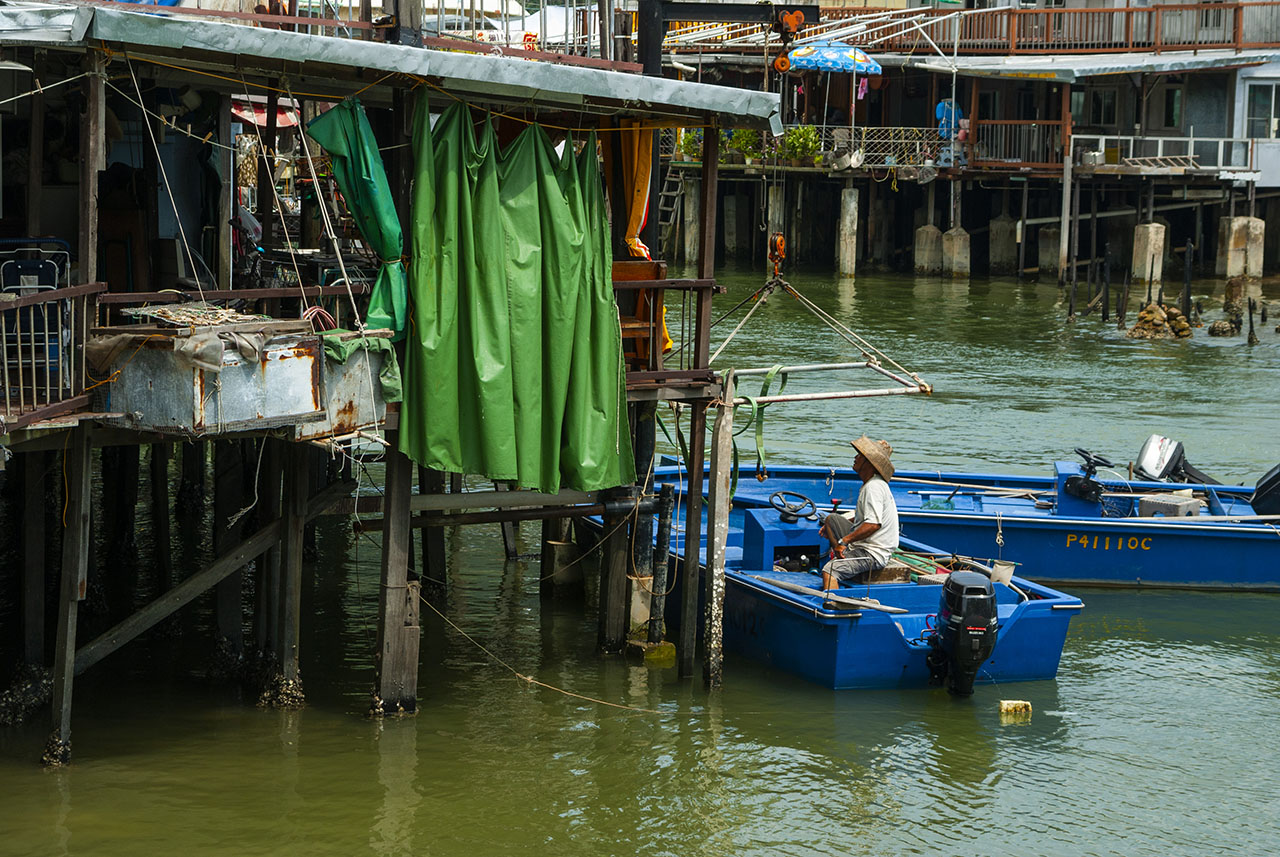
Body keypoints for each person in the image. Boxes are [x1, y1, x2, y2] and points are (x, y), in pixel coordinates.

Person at [819, 435, 899, 591]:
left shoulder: (873, 488)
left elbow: (873, 525)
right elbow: (863, 517)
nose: (855, 458)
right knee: (831, 520)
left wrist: (844, 541)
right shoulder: (871, 484)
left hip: (872, 553)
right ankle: (842, 554)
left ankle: (833, 605)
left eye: (860, 456)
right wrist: (833, 527)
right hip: (865, 544)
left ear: (869, 463)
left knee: (830, 570)